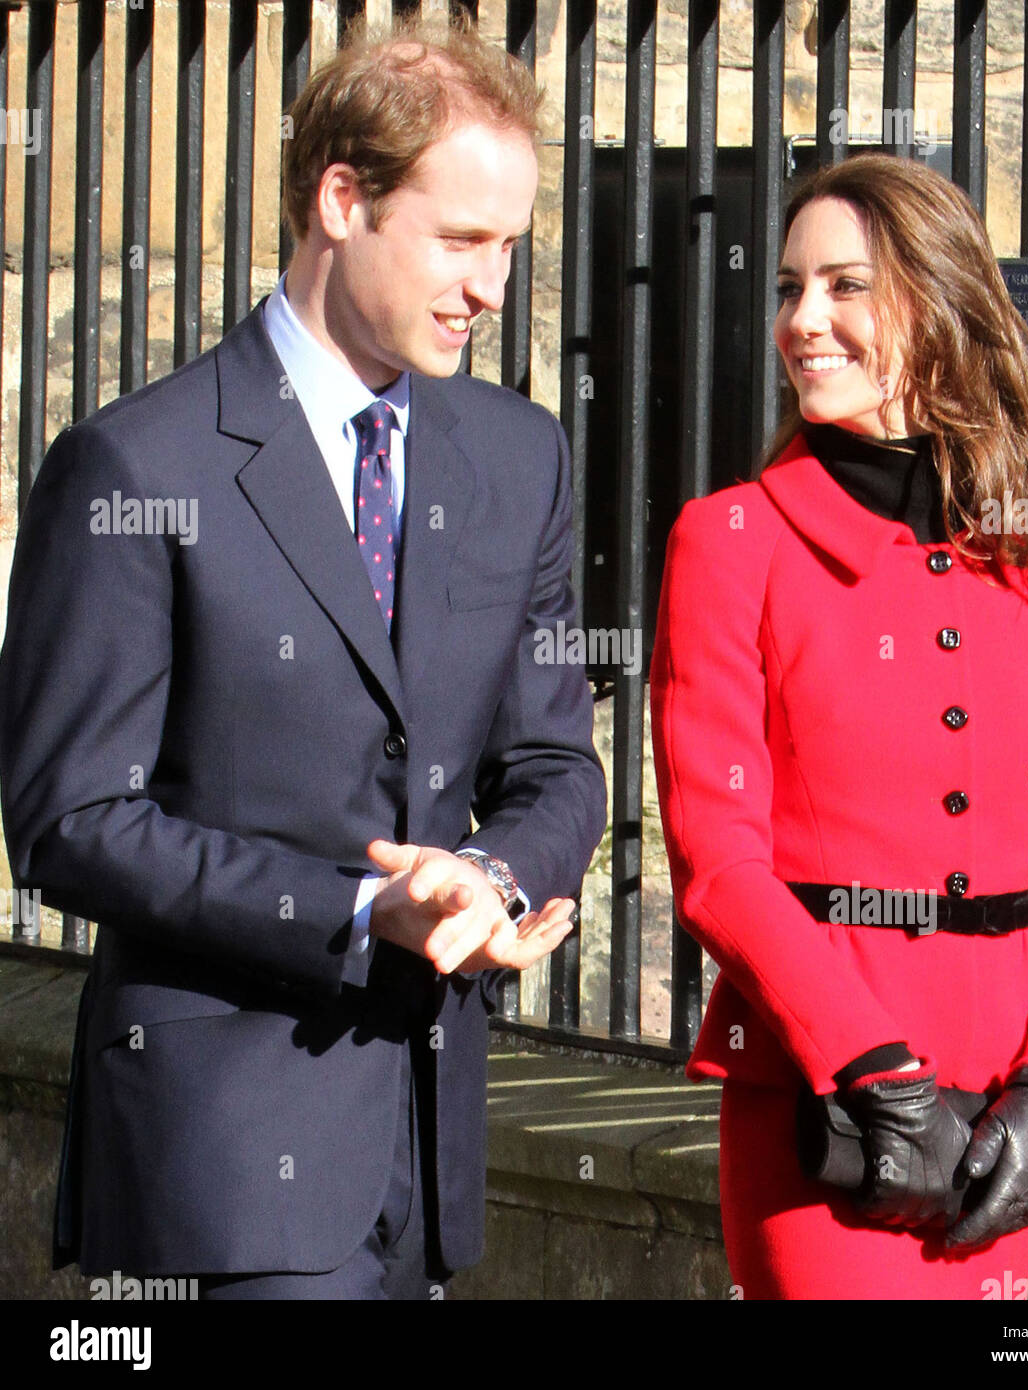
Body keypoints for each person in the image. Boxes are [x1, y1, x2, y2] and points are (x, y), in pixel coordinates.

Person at [0, 16, 606, 1300]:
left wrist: (482, 880)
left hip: (428, 1163)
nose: (491, 289)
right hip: (216, 1164)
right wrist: (350, 908)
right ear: (342, 197)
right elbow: (70, 821)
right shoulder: (135, 468)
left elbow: (558, 763)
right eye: (460, 241)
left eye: (510, 246)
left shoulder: (520, 456)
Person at [649, 153, 1028, 1299]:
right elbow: (719, 863)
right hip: (825, 1110)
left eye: (844, 286)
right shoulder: (730, 543)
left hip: (1005, 1117)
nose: (802, 322)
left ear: (937, 305)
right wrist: (876, 1069)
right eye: (788, 289)